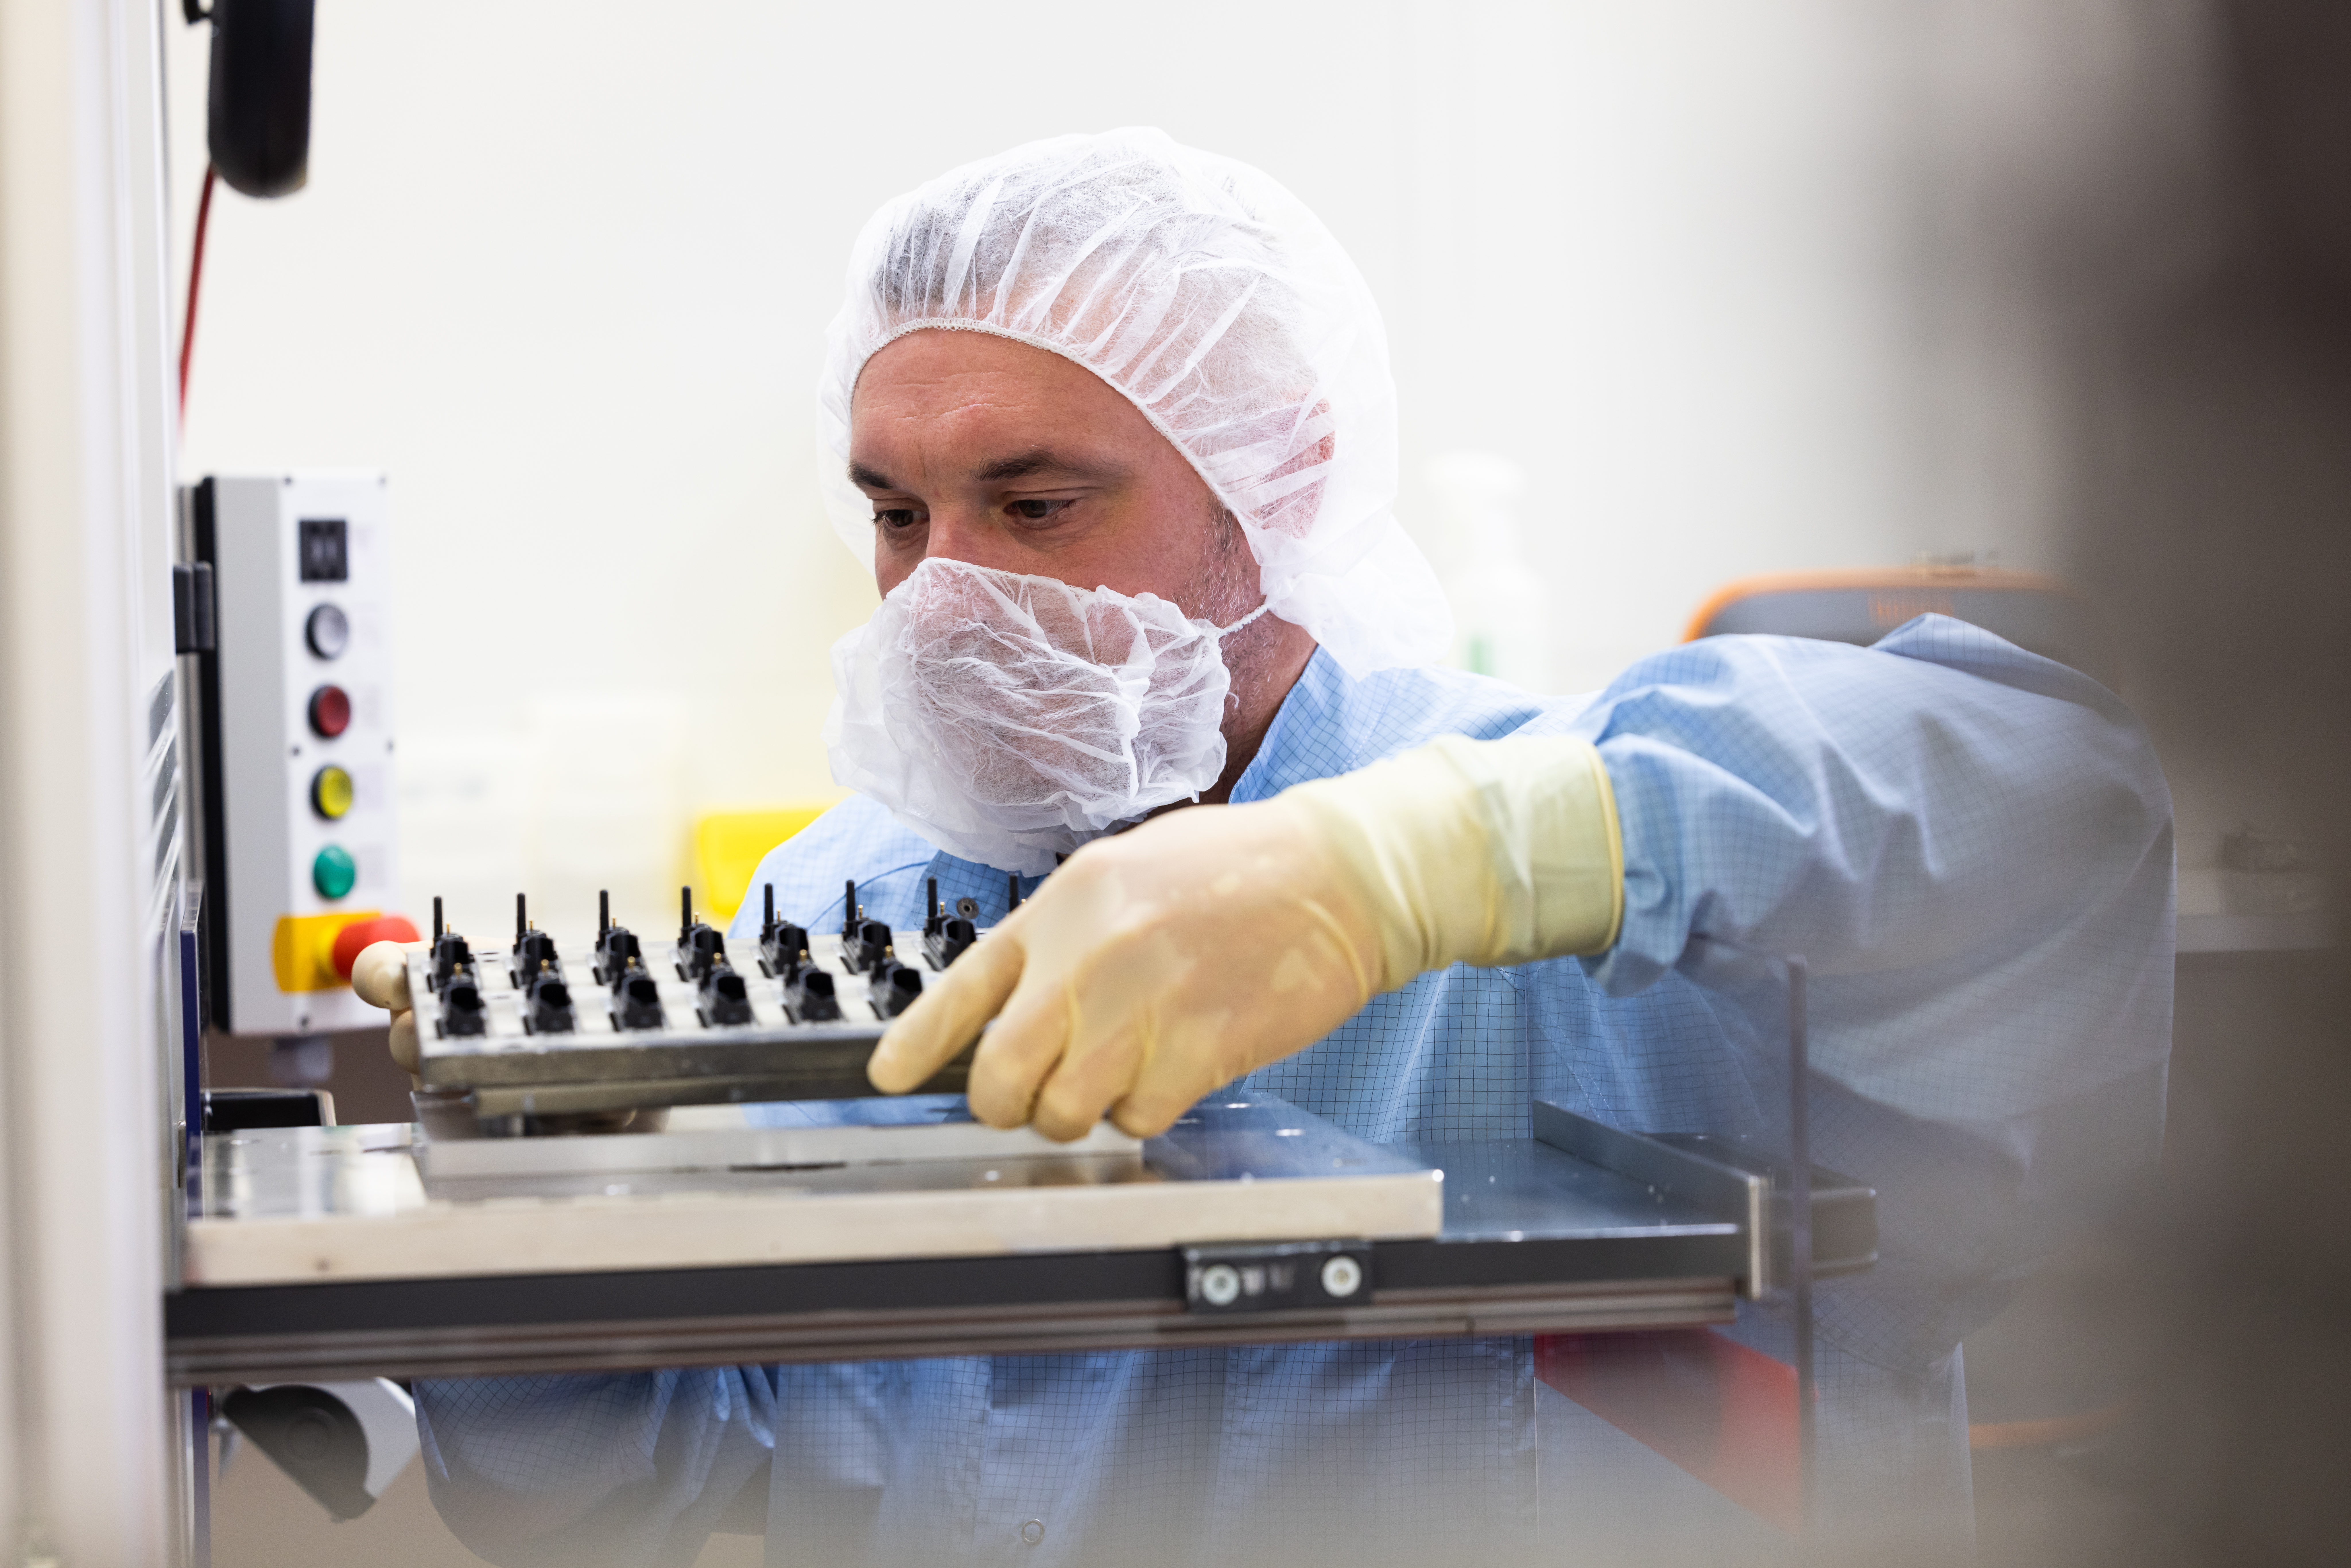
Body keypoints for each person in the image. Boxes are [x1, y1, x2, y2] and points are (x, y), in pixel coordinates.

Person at [354, 127, 2172, 1567]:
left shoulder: (1543, 859)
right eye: (898, 513)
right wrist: (531, 1239)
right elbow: (638, 1491)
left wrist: (1403, 877)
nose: (944, 595)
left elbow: (2058, 799)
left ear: (1277, 484)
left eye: (1039, 504)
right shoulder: (844, 907)